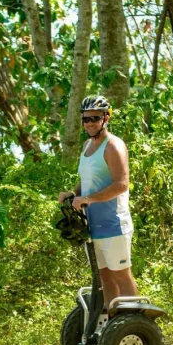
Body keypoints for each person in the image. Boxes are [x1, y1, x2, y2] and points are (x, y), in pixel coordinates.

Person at [58, 95, 138, 312]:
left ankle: (133, 325)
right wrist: (73, 194)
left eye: (94, 118)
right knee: (105, 278)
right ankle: (114, 324)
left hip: (114, 224)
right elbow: (87, 181)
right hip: (92, 226)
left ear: (106, 118)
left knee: (121, 276)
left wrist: (89, 199)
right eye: (86, 119)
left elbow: (122, 184)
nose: (90, 123)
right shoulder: (86, 146)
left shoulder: (113, 146)